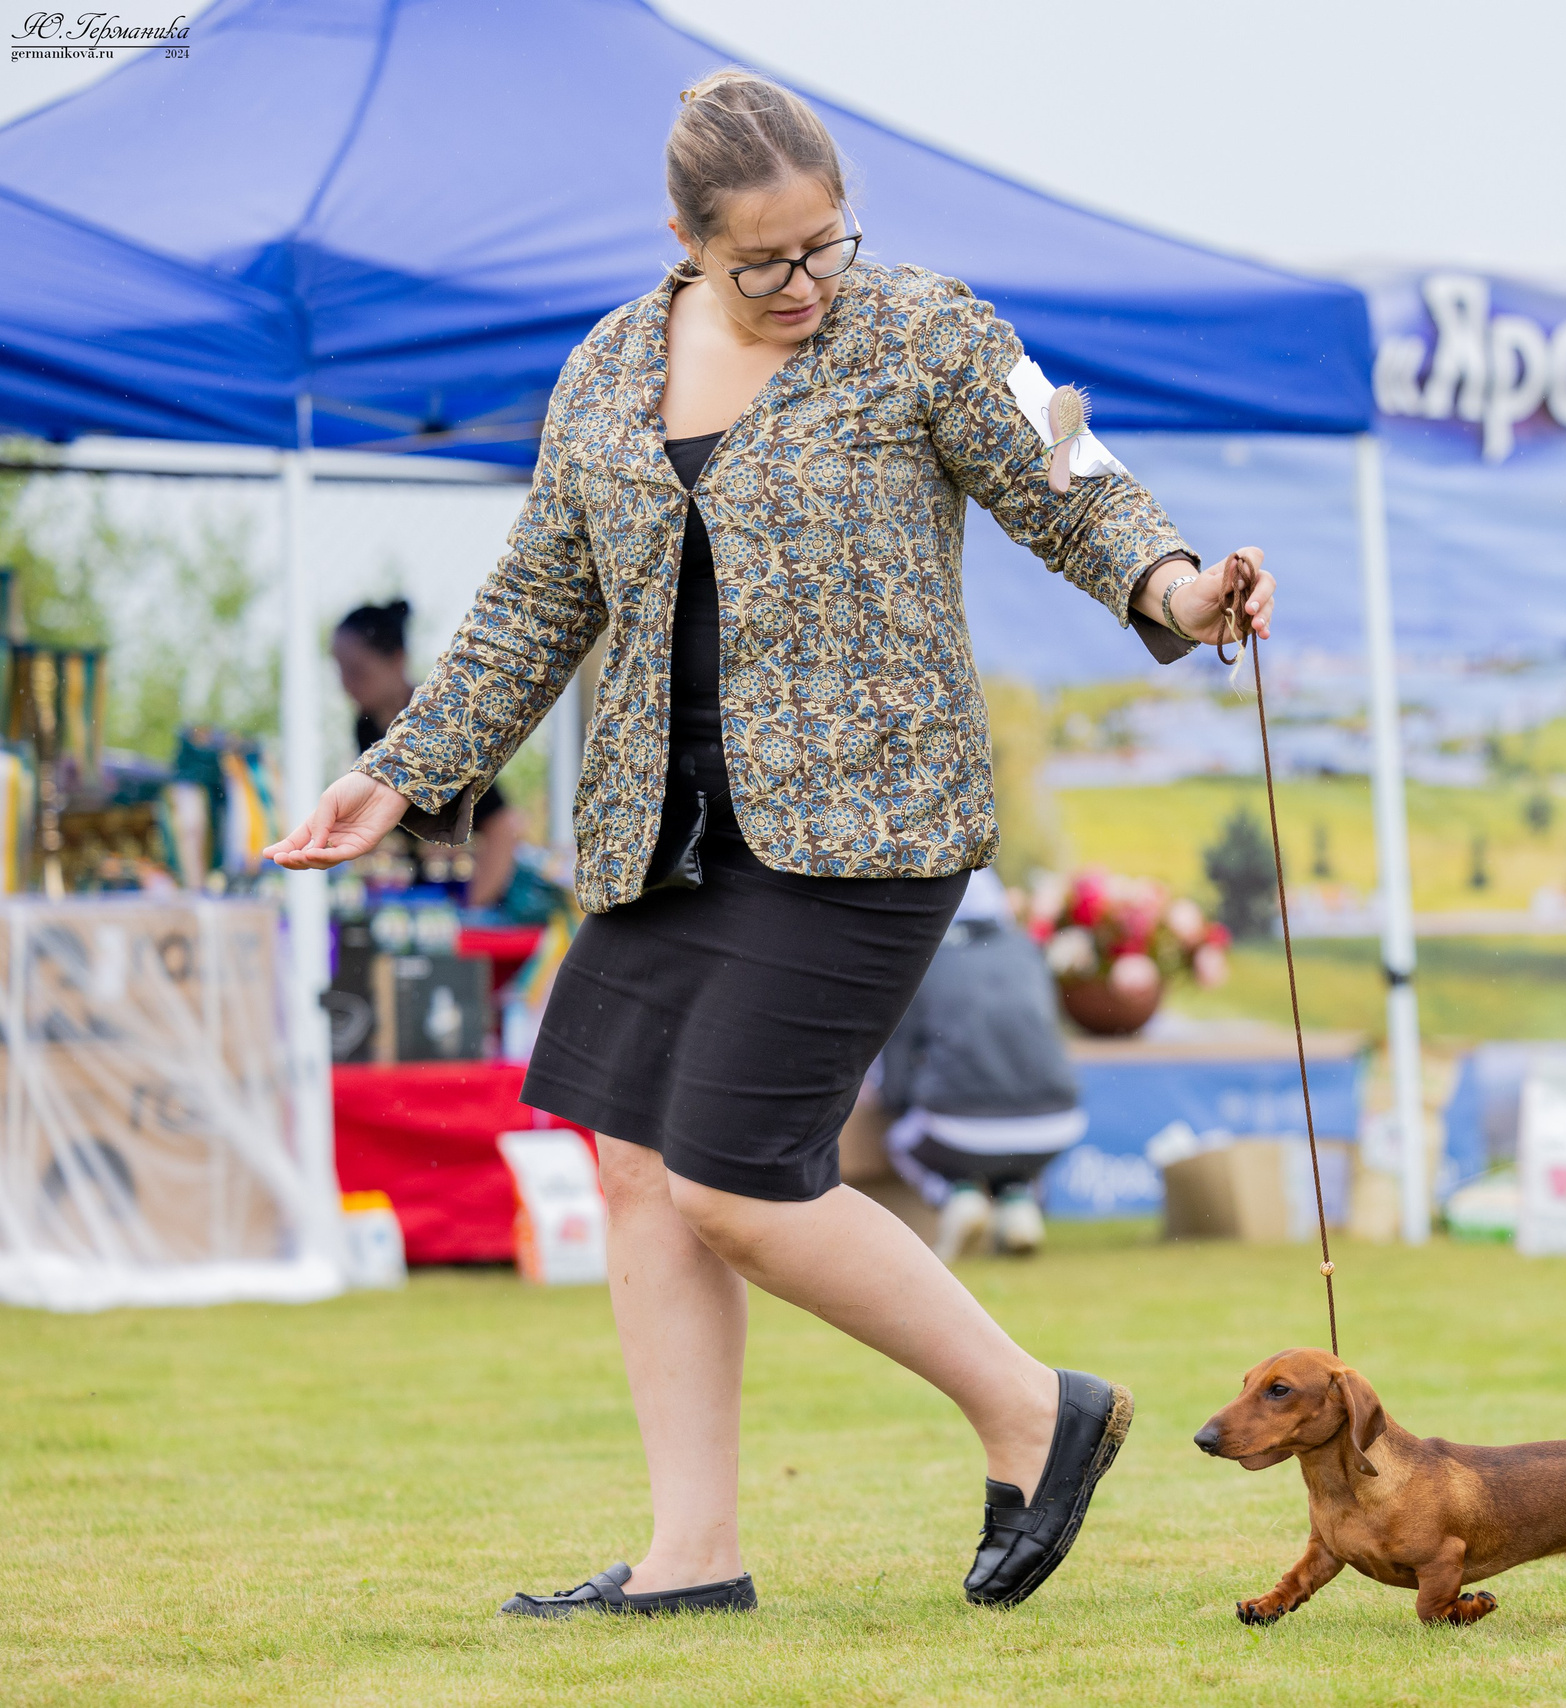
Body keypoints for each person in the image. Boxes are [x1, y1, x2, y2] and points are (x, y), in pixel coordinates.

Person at [266, 69, 1273, 1619]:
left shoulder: (926, 328)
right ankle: (693, 1557)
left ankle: (1033, 1410)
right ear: (682, 241)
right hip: (660, 832)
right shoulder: (607, 370)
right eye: (764, 263)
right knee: (633, 1162)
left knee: (736, 1181)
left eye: (827, 245)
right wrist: (400, 775)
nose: (806, 283)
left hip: (869, 827)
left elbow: (1074, 493)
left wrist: (1178, 588)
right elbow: (537, 603)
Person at [878, 868, 1088, 1263]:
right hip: (1059, 1122)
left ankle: (959, 1196)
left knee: (902, 1141)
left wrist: (897, 1101)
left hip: (959, 1127)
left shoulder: (922, 958)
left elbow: (897, 1061)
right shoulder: (1026, 950)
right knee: (1004, 1145)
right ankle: (1019, 1201)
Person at [332, 599, 526, 911]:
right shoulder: (366, 727)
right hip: (415, 897)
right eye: (340, 671)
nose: (346, 685)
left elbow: (501, 825)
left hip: (463, 892)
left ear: (397, 659)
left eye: (357, 671)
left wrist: (471, 911)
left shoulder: (438, 723)